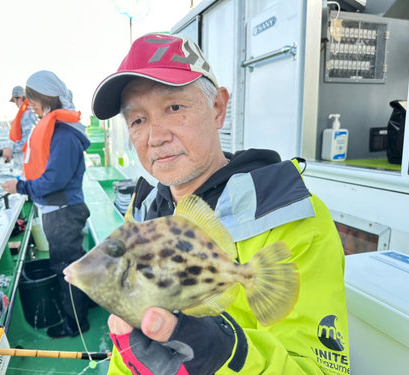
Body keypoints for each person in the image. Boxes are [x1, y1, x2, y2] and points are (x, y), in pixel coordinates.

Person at [91, 34, 350, 374]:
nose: (156, 136)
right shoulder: (143, 212)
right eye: (138, 120)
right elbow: (126, 349)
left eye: (174, 107)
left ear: (217, 108)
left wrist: (226, 354)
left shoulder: (290, 215)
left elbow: (319, 369)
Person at [1, 71, 94, 338]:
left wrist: (20, 186)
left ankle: (76, 324)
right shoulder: (59, 130)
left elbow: (54, 180)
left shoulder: (63, 135)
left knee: (66, 269)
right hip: (59, 211)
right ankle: (84, 306)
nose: (30, 105)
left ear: (46, 99)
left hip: (63, 214)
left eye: (33, 99)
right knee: (71, 264)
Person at [2, 86, 37, 170]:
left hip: (30, 167)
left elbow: (29, 139)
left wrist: (12, 149)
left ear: (20, 98)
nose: (16, 105)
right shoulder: (31, 112)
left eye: (15, 102)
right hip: (26, 165)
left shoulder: (28, 114)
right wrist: (11, 153)